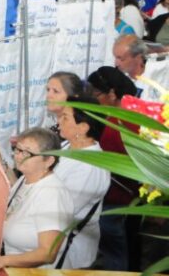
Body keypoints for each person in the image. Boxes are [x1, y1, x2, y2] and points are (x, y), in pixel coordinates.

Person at [0, 127, 74, 272]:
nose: (19, 156)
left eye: (27, 153)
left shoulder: (52, 194)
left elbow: (48, 253)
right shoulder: (26, 178)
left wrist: (2, 261)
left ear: (49, 161)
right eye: (18, 149)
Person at [86, 66, 141, 271]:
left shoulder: (118, 123)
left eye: (96, 93)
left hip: (116, 198)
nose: (94, 98)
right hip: (126, 197)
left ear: (111, 93)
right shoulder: (130, 115)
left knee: (114, 253)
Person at [53, 96, 110, 269]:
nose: (59, 121)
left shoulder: (90, 167)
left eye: (65, 117)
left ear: (83, 127)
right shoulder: (67, 146)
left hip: (71, 255)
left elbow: (63, 210)